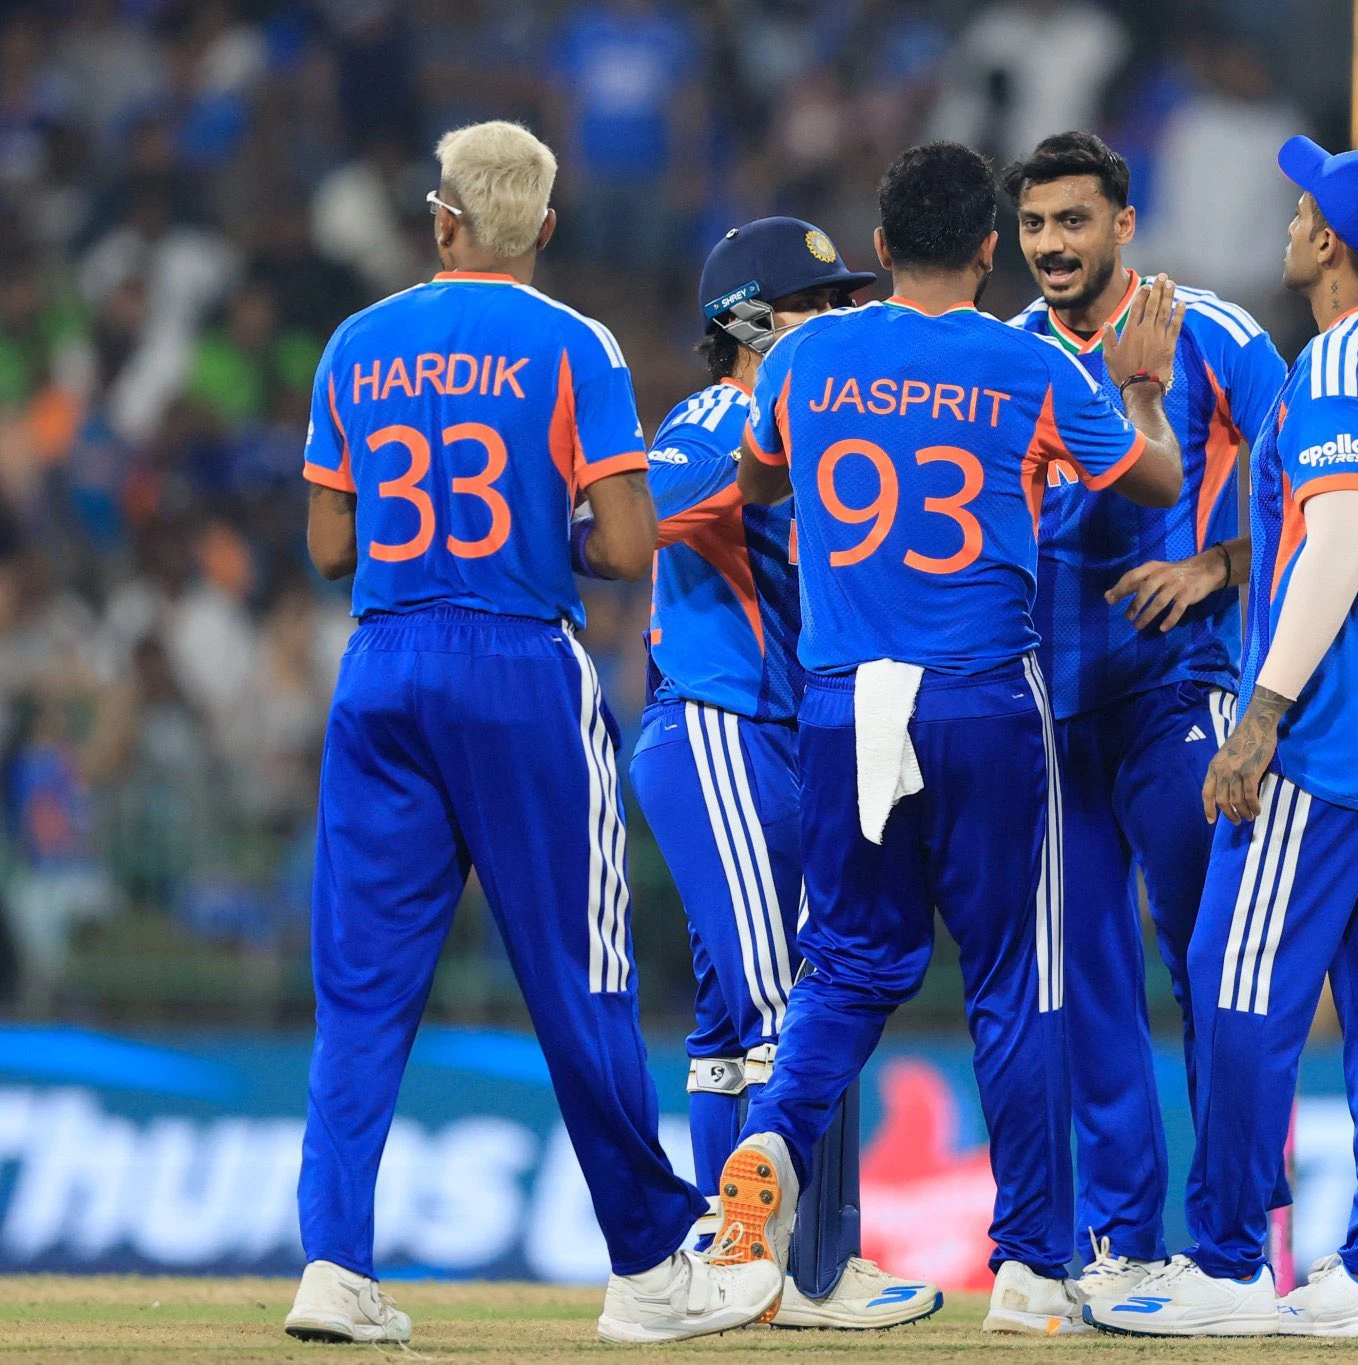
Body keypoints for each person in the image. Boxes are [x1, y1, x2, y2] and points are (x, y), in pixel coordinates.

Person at [286, 120, 781, 1346]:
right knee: (582, 976)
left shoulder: (355, 341)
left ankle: (333, 1267)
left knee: (361, 987)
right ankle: (649, 1272)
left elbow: (330, 545)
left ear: (440, 219)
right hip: (517, 664)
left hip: (382, 662)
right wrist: (529, 532)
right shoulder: (574, 343)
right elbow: (627, 542)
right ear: (546, 228)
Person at [710, 141, 1186, 1336]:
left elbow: (755, 481)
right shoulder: (1027, 363)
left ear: (878, 248)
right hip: (981, 698)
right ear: (988, 247)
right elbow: (1152, 483)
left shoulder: (804, 355)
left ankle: (770, 1144)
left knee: (847, 964)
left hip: (843, 700)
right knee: (1013, 978)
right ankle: (1026, 1269)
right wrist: (1139, 391)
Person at [1089, 138, 1358, 1340]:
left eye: (1304, 212)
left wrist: (1260, 714)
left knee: (1233, 979)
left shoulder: (1341, 357)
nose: (1290, 224)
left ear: (1331, 244)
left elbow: (1337, 543)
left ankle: (1228, 1264)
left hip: (1327, 730)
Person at [628, 215, 937, 1329]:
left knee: (731, 1027)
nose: (844, 314)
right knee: (790, 1005)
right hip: (723, 723)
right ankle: (801, 1271)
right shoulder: (718, 415)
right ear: (750, 322)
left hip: (767, 735)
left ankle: (745, 1262)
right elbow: (635, 514)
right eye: (820, 302)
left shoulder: (812, 414)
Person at [999, 130, 1285, 1300]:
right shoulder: (1006, 355)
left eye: (1072, 221)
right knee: (1087, 984)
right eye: (1032, 225)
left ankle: (1236, 1244)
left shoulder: (1215, 336)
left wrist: (1216, 566)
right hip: (1050, 708)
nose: (1051, 245)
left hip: (1175, 690)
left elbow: (1329, 492)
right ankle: (1123, 1244)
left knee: (1213, 967)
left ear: (1124, 224)